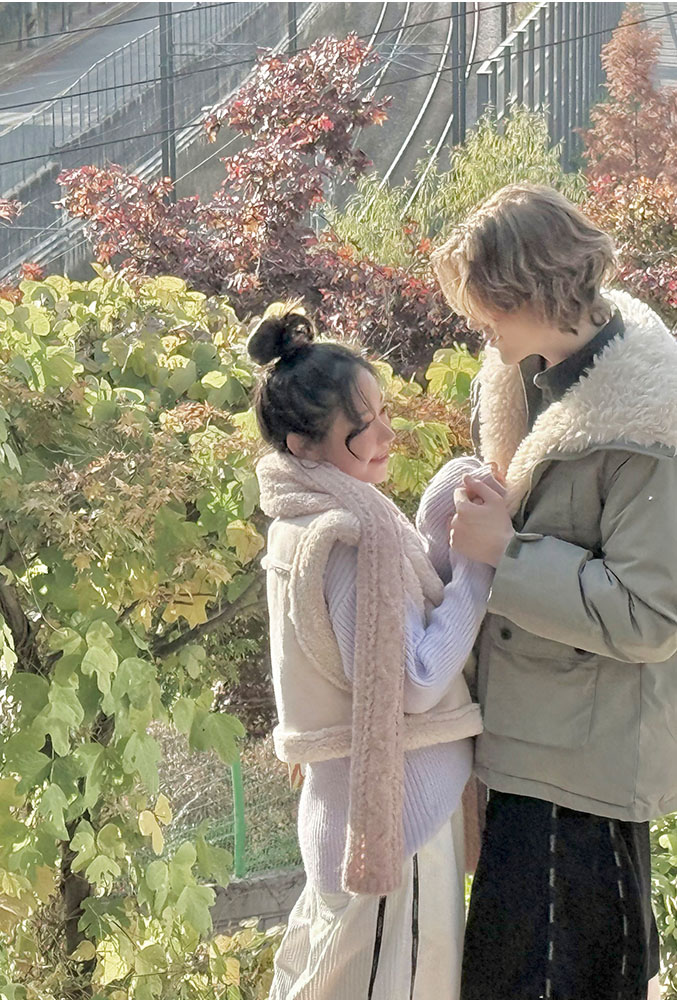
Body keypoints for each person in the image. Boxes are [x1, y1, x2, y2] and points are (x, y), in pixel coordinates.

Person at [432, 182, 677, 1000]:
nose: (476, 324)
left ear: (529, 290)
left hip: (583, 773)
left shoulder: (646, 419)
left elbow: (651, 616)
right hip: (530, 750)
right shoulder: (534, 375)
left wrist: (506, 554)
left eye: (484, 305)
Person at [250, 307, 495, 999]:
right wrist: (478, 568)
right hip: (397, 824)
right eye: (363, 423)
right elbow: (412, 680)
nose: (388, 433)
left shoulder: (299, 525)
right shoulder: (351, 537)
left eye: (383, 412)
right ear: (303, 444)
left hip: (352, 812)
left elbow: (388, 628)